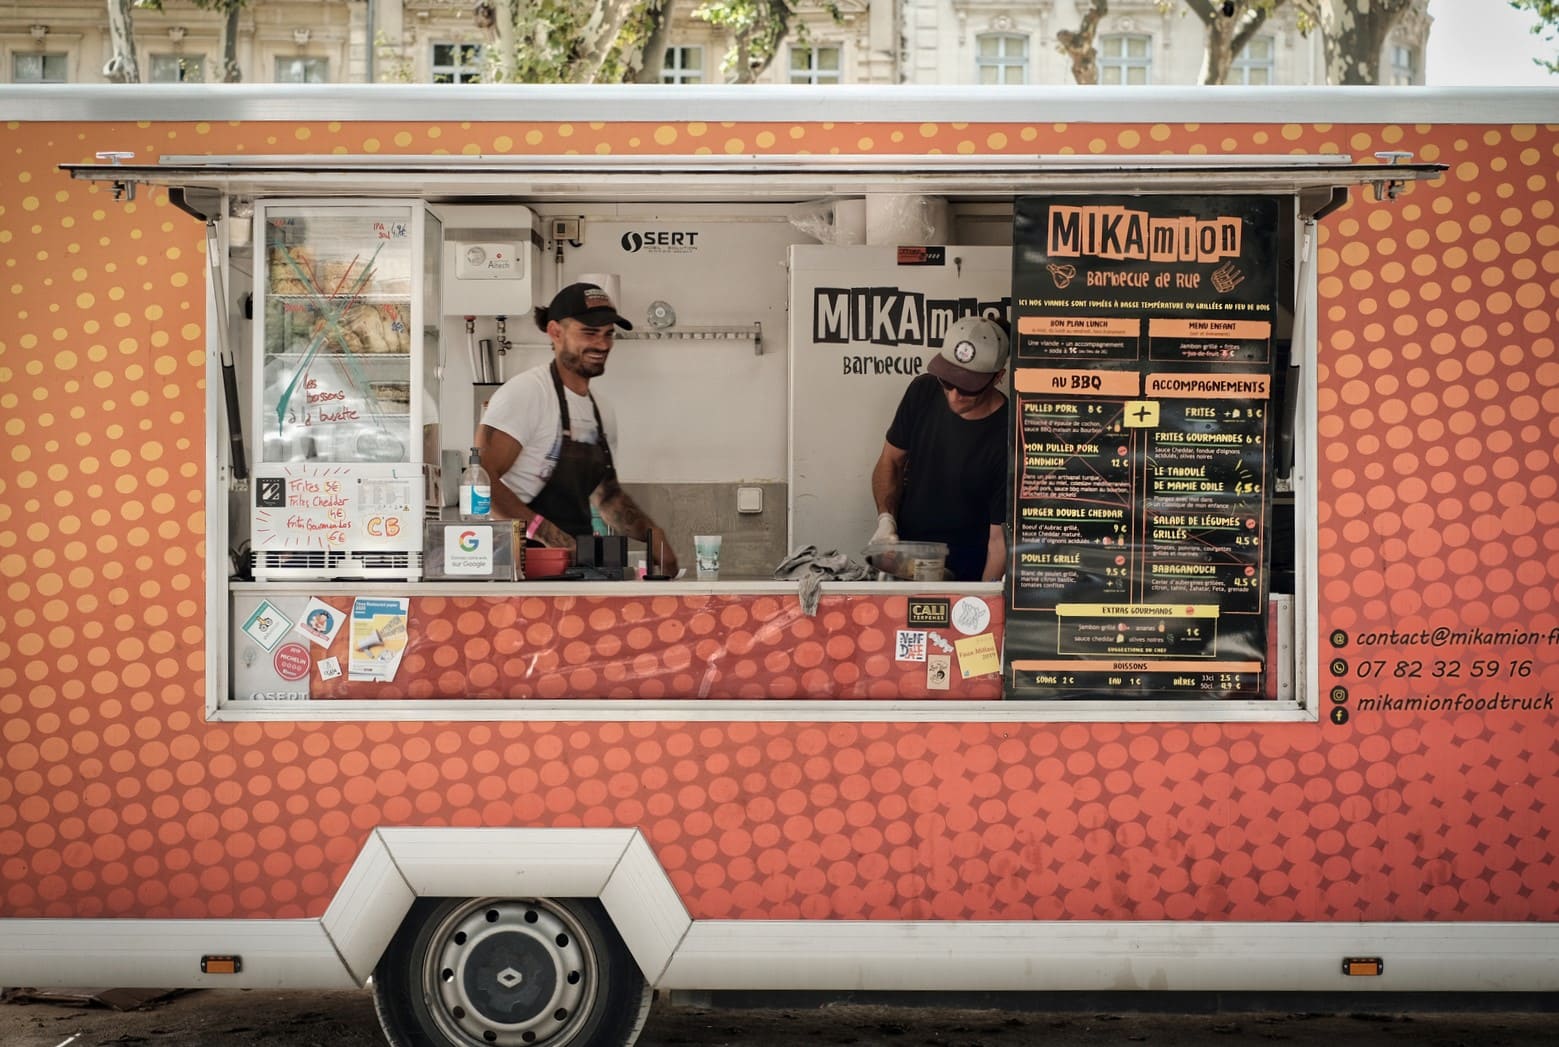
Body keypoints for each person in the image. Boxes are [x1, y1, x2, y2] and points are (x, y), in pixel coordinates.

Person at [476, 282, 679, 575]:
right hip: (522, 570)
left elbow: (607, 497)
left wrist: (653, 536)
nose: (603, 344)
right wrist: (548, 534)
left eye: (608, 334)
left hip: (577, 570)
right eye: (589, 332)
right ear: (555, 332)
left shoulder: (601, 410)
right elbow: (480, 479)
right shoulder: (528, 393)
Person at [869, 314, 1009, 582]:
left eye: (968, 388)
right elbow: (891, 461)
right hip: (907, 562)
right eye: (948, 382)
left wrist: (980, 598)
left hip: (967, 573)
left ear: (997, 377)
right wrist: (886, 520)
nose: (954, 396)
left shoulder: (1007, 435)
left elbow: (998, 542)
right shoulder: (923, 391)